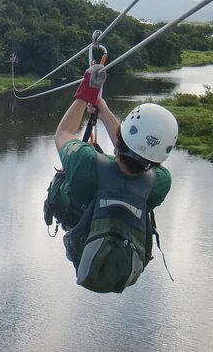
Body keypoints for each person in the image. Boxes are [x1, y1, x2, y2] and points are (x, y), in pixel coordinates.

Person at [46, 64, 178, 274]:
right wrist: (104, 111)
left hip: (82, 240)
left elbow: (63, 133)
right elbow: (137, 154)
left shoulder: (85, 162)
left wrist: (86, 90)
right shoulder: (159, 183)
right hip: (124, 261)